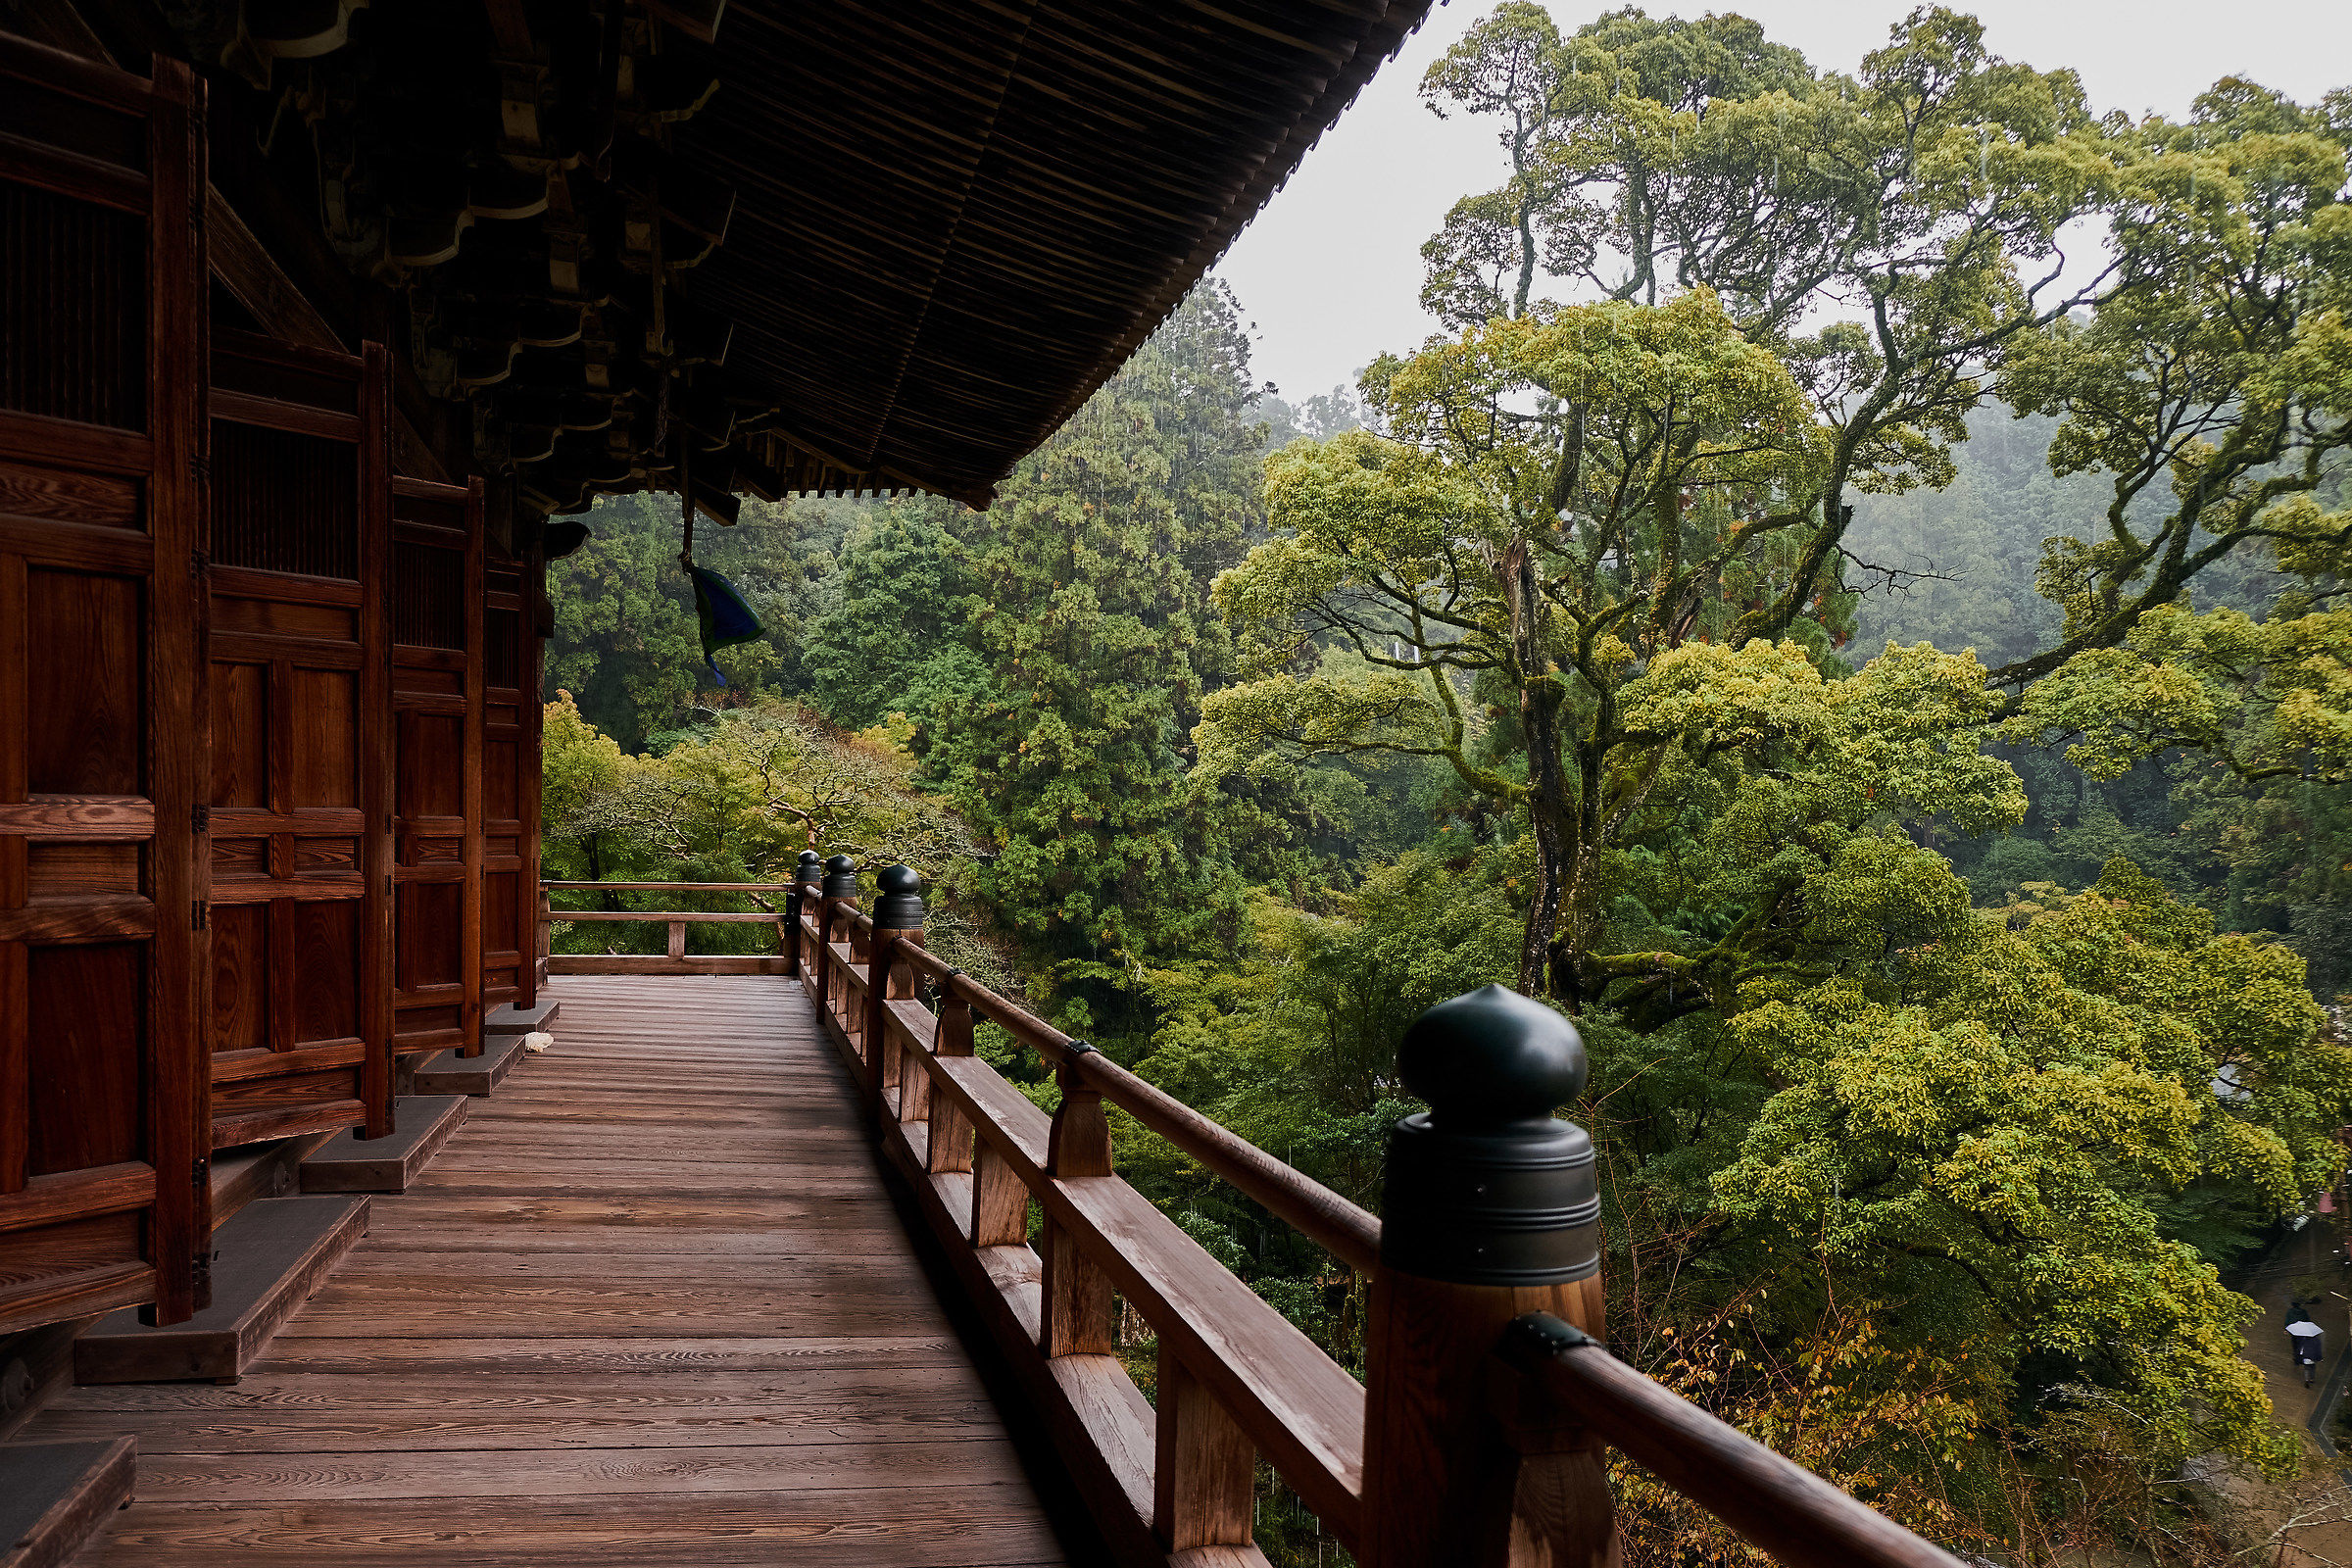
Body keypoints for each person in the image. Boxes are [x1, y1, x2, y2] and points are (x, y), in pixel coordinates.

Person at [2289, 1313, 2327, 1388]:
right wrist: (2320, 1358)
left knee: (2306, 1368)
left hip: (2305, 1356)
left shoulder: (2303, 1339)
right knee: (2312, 1367)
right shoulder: (2316, 1341)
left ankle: (2306, 1380)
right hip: (2312, 1357)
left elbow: (2300, 1348)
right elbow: (2318, 1350)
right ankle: (2312, 1378)